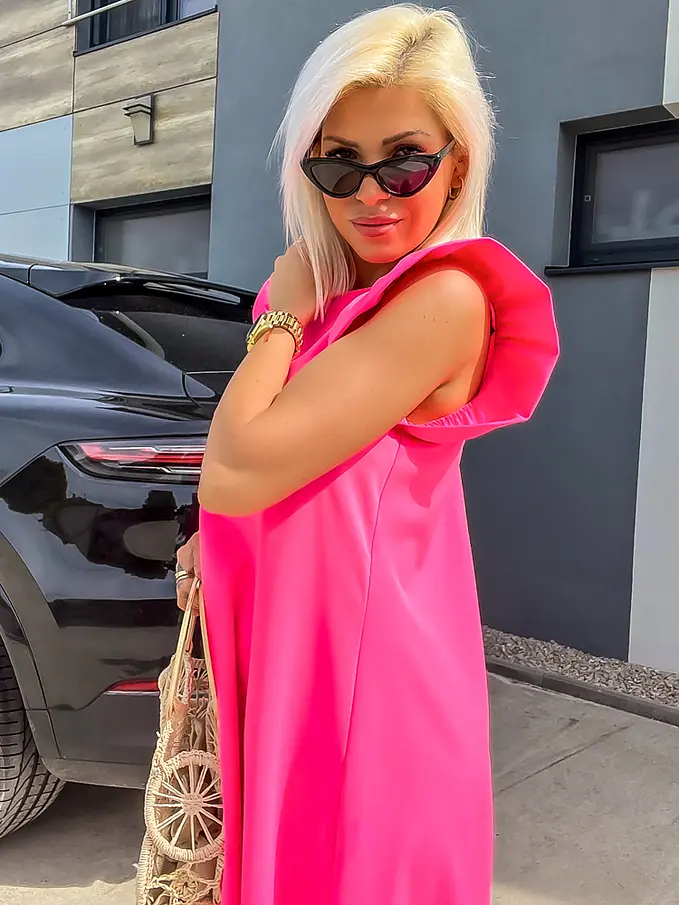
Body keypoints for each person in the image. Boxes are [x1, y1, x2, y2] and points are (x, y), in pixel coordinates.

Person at [175, 5, 559, 903]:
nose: (370, 193)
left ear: (456, 162)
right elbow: (289, 474)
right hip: (307, 668)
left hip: (363, 695)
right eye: (338, 162)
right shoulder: (360, 301)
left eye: (404, 160)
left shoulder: (444, 297)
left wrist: (277, 309)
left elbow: (235, 470)